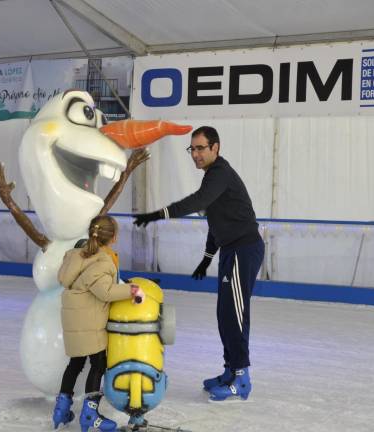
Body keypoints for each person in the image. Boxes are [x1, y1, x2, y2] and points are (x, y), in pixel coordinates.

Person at [133, 126, 264, 402]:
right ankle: (230, 371)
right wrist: (206, 259)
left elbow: (198, 202)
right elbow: (215, 223)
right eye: (192, 149)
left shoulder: (220, 174)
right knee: (225, 313)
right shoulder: (212, 178)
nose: (195, 154)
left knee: (236, 315)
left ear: (215, 148)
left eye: (200, 148)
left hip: (244, 249)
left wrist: (159, 214)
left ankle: (241, 378)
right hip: (231, 251)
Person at [52, 215, 145, 431]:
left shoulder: (75, 255)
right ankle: (90, 414)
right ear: (112, 238)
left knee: (75, 364)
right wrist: (133, 291)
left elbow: (89, 283)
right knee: (98, 364)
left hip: (74, 320)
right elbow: (105, 291)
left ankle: (61, 410)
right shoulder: (103, 261)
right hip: (91, 322)